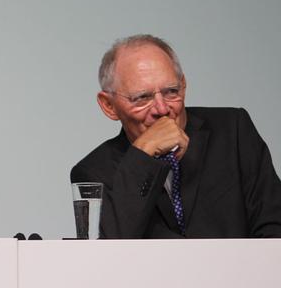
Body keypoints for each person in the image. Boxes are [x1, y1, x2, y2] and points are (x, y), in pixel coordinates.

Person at [71, 34, 281, 238]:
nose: (162, 109)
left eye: (171, 91)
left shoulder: (233, 130)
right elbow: (107, 252)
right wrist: (142, 156)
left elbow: (274, 225)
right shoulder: (93, 172)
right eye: (142, 97)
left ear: (184, 85)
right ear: (109, 106)